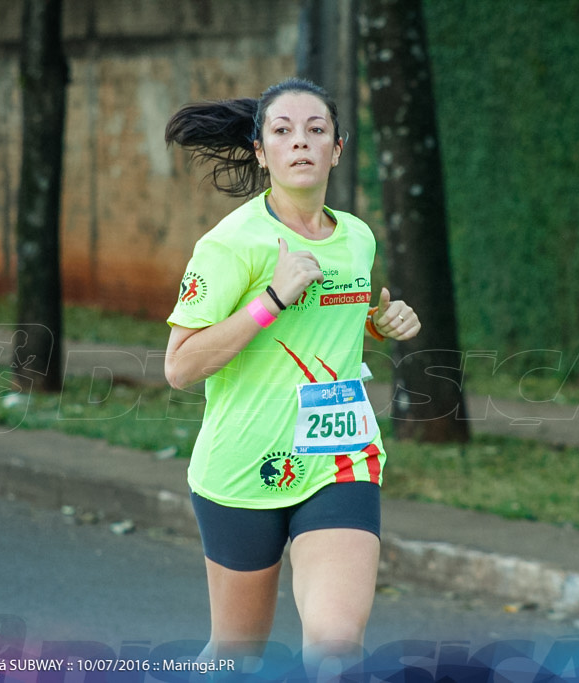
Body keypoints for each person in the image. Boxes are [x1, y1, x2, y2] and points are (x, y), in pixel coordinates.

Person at [163, 77, 421, 676]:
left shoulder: (356, 236)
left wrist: (382, 323)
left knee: (335, 645)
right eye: (282, 131)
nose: (300, 143)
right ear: (261, 151)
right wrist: (271, 299)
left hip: (340, 457)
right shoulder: (231, 245)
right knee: (237, 655)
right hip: (243, 466)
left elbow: (336, 321)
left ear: (336, 148)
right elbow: (180, 366)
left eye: (316, 131)